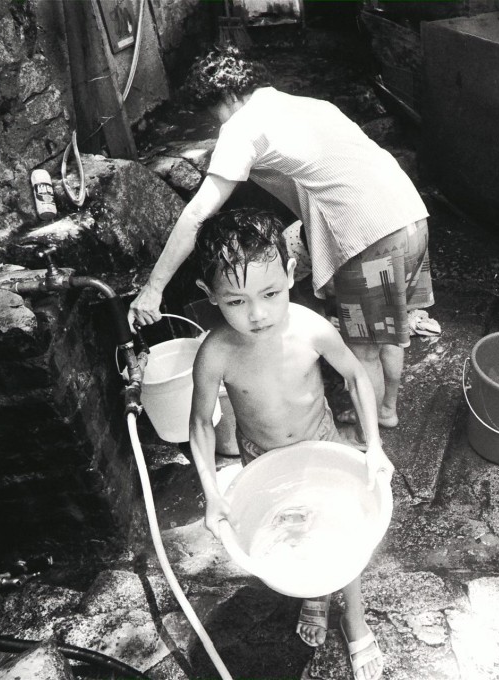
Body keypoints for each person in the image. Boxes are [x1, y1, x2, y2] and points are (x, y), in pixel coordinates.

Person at [130, 45, 432, 430]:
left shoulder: (241, 127)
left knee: (364, 351)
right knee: (388, 332)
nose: (216, 124)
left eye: (213, 114)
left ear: (225, 97)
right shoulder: (311, 106)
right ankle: (386, 407)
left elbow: (197, 213)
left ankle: (364, 438)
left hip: (370, 239)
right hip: (410, 219)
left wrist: (154, 288)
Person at [188, 209, 393, 680]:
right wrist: (213, 493)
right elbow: (201, 425)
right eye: (236, 301)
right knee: (296, 525)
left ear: (291, 274)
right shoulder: (215, 352)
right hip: (261, 457)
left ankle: (355, 618)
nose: (257, 314)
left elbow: (358, 378)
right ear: (209, 296)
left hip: (320, 441)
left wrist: (374, 445)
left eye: (270, 294)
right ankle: (314, 594)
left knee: (344, 535)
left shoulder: (309, 329)